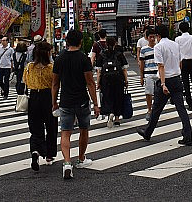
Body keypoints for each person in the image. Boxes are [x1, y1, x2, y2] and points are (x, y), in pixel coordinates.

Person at [52, 28, 100, 180]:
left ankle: (67, 163)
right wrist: (96, 104)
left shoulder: (59, 59)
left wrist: (54, 102)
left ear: (66, 41)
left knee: (65, 132)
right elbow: (90, 83)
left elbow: (55, 84)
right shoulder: (84, 59)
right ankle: (81, 158)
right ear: (80, 42)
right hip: (82, 101)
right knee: (83, 129)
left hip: (65, 101)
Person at [137, 23, 192, 146]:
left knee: (156, 109)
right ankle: (188, 136)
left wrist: (163, 84)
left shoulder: (159, 47)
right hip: (176, 79)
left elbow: (161, 66)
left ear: (158, 35)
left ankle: (147, 132)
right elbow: (180, 62)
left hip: (165, 80)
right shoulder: (175, 45)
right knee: (181, 109)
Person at [23, 41, 58, 170]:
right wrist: (55, 102)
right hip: (47, 97)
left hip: (33, 97)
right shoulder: (51, 68)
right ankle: (49, 155)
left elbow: (25, 81)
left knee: (35, 127)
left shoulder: (29, 67)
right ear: (47, 53)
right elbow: (55, 84)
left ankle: (35, 151)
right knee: (51, 127)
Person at [96, 36, 128, 128]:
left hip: (106, 80)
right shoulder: (119, 54)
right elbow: (124, 69)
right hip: (118, 79)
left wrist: (98, 82)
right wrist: (126, 80)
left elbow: (99, 71)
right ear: (115, 44)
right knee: (118, 97)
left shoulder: (102, 55)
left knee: (107, 96)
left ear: (106, 44)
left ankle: (110, 112)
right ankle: (117, 119)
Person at [175, 22, 192, 110]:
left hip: (183, 62)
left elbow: (176, 52)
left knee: (185, 83)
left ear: (180, 29)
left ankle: (189, 102)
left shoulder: (177, 39)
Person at [138, 27, 159, 121]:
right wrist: (141, 77)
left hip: (158, 73)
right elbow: (142, 64)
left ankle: (156, 110)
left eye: (154, 37)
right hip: (148, 74)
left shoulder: (159, 47)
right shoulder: (144, 50)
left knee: (158, 94)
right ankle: (149, 110)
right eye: (150, 37)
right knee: (148, 93)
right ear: (147, 38)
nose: (152, 39)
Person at [0, 35, 14, 99]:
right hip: (0, 66)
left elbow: (12, 59)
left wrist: (12, 67)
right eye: (2, 40)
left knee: (6, 80)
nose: (2, 42)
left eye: (4, 40)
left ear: (7, 41)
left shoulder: (11, 49)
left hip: (7, 67)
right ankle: (4, 89)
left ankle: (6, 94)